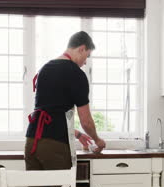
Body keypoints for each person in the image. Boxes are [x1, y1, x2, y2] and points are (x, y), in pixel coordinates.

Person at [25, 31, 106, 178]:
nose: (86, 62)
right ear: (81, 48)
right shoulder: (77, 74)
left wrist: (77, 134)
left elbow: (51, 111)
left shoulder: (45, 68)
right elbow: (86, 121)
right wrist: (97, 140)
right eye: (87, 56)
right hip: (55, 146)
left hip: (31, 142)